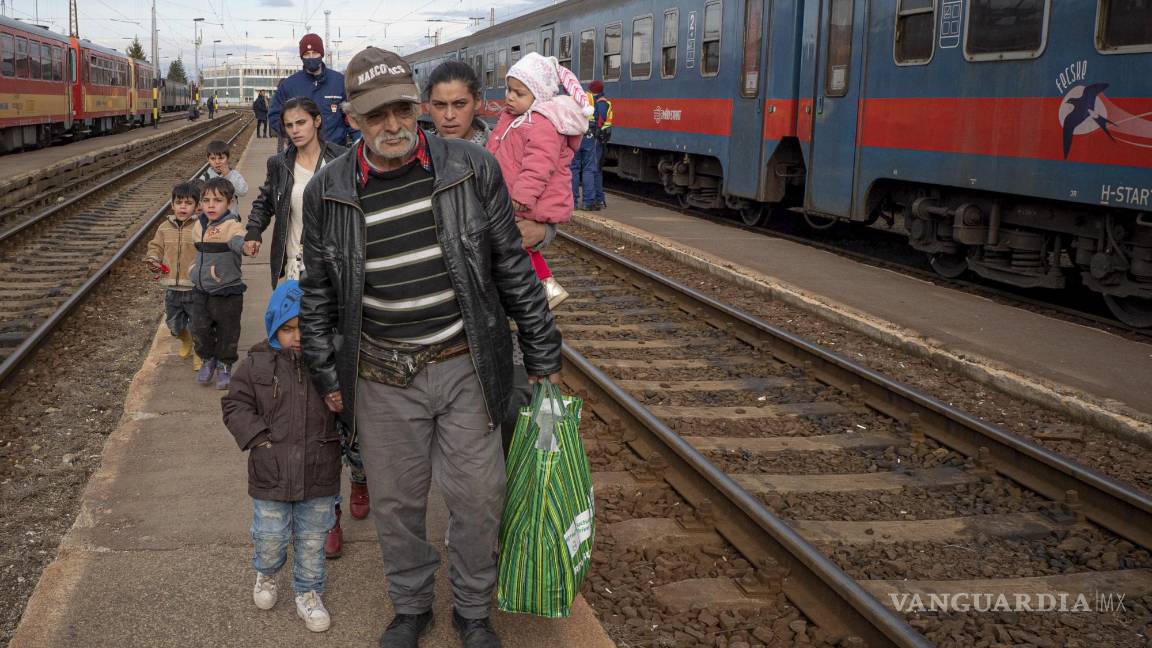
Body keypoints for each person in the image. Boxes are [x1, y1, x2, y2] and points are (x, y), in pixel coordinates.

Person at [299, 47, 562, 648]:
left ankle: (473, 609)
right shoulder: (328, 191)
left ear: (416, 105)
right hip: (380, 373)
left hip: (464, 362)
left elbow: (510, 265)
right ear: (354, 120)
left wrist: (543, 350)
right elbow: (316, 293)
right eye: (375, 115)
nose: (392, 125)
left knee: (479, 495)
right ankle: (412, 606)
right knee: (396, 505)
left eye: (400, 109)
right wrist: (326, 373)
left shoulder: (470, 168)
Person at [244, 96, 361, 558]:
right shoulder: (279, 165)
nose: (294, 130)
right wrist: (254, 232)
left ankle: (362, 474)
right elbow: (264, 205)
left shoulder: (344, 160)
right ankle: (326, 510)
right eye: (287, 124)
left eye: (300, 122)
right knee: (307, 392)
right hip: (293, 282)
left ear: (318, 121)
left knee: (341, 384)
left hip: (335, 283)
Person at [424, 60, 559, 454]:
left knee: (508, 408)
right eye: (440, 105)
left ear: (479, 103)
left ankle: (505, 501)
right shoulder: (417, 158)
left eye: (460, 104)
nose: (450, 116)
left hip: (501, 306)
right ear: (426, 107)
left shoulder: (509, 146)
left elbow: (544, 203)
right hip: (441, 314)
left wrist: (546, 231)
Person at [222, 280, 339, 634]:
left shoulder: (330, 365)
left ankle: (308, 592)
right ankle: (267, 572)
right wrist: (258, 438)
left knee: (313, 539)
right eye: (288, 329)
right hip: (270, 471)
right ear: (274, 326)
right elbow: (235, 404)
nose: (298, 336)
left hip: (319, 470)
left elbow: (349, 404)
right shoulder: (256, 364)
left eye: (306, 327)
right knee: (270, 536)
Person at [485, 52, 590, 311]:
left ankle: (542, 286)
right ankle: (542, 286)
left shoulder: (542, 123)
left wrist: (521, 197)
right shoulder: (514, 118)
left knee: (515, 244)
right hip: (515, 195)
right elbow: (495, 148)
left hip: (529, 199)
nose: (510, 97)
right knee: (518, 246)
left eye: (518, 93)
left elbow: (538, 166)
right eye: (509, 90)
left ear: (538, 96)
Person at [189, 177, 251, 390]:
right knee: (198, 327)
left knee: (228, 330)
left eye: (217, 200)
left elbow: (238, 240)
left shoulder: (232, 226)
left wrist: (246, 247)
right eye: (206, 200)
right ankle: (208, 359)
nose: (211, 205)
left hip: (227, 291)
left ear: (230, 202)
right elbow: (195, 252)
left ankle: (225, 364)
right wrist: (192, 271)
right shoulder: (198, 225)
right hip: (201, 289)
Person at [144, 181, 203, 370]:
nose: (183, 207)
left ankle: (199, 355)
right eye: (179, 203)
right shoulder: (163, 228)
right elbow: (156, 247)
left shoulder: (200, 227)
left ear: (197, 206)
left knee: (198, 325)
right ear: (172, 204)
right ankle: (185, 340)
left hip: (194, 287)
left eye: (188, 203)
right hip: (171, 287)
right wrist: (153, 259)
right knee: (174, 324)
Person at [269, 34, 356, 147]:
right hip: (300, 153)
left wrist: (358, 141)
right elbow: (274, 115)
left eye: (314, 53)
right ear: (301, 57)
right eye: (306, 54)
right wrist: (291, 134)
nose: (311, 57)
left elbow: (353, 114)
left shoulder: (339, 82)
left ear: (321, 54)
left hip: (335, 153)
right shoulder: (289, 85)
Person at [572, 80, 613, 211]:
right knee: (589, 169)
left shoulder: (574, 98)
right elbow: (596, 118)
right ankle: (588, 202)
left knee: (574, 168)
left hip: (575, 135)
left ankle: (572, 201)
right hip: (590, 137)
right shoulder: (596, 101)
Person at [204, 140, 250, 216]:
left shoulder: (235, 175)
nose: (217, 162)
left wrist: (228, 175)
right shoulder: (204, 178)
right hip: (210, 221)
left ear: (227, 158)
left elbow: (243, 192)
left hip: (231, 219)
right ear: (208, 159)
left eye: (221, 158)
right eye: (213, 158)